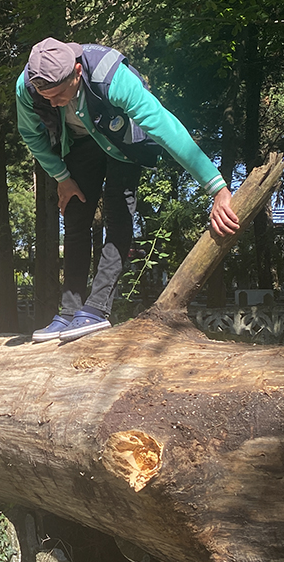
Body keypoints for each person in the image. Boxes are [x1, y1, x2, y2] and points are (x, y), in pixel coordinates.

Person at [16, 38, 241, 343]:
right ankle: (69, 313)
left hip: (123, 143)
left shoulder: (113, 78)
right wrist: (61, 177)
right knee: (75, 216)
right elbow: (32, 134)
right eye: (47, 97)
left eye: (59, 95)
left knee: (117, 216)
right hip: (80, 143)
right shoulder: (28, 87)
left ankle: (96, 309)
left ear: (77, 72)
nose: (54, 104)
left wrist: (216, 187)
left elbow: (164, 126)